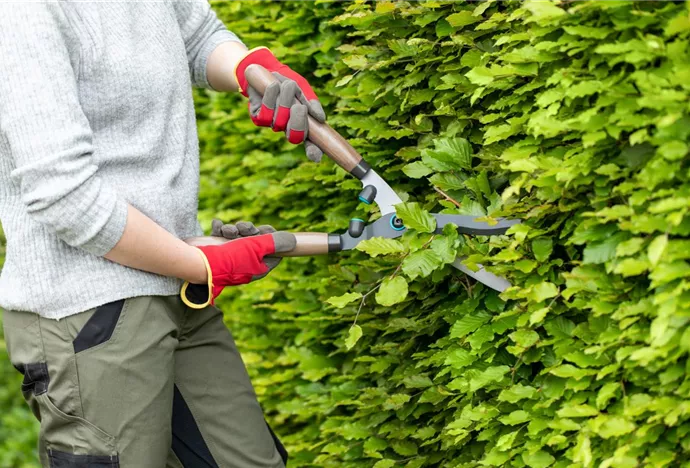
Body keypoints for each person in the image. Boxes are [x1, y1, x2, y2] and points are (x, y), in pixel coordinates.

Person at [0, 2, 325, 467]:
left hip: (174, 285)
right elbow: (64, 194)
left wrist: (247, 67)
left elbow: (194, 32)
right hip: (86, 313)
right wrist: (200, 264)